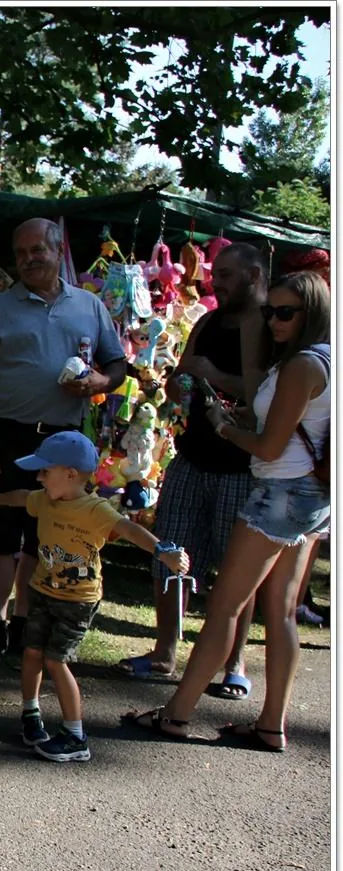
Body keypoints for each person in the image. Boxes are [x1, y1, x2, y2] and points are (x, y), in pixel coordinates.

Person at [126, 271, 331, 752]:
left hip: (278, 494)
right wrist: (244, 416)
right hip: (312, 499)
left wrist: (222, 425)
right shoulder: (324, 360)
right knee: (279, 613)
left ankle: (175, 716)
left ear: (312, 314)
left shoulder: (302, 364)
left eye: (285, 312)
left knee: (223, 607)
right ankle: (270, 725)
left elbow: (270, 444)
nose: (273, 321)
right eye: (269, 311)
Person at [0, 218, 127, 666]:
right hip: (4, 434)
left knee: (44, 537)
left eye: (37, 250)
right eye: (20, 253)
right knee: (0, 536)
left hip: (62, 442)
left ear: (58, 251)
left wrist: (98, 381)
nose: (28, 259)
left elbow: (117, 366)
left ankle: (24, 623)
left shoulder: (89, 306)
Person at [116, 243, 269, 697]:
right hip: (191, 458)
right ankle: (165, 651)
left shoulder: (268, 328)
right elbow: (186, 372)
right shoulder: (207, 320)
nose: (214, 281)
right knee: (168, 551)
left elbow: (267, 396)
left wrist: (215, 376)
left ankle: (234, 663)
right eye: (215, 274)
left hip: (243, 467)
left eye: (224, 274)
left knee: (237, 570)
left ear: (254, 276)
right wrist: (175, 379)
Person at [0, 432, 190, 762]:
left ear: (71, 474)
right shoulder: (45, 500)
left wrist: (163, 551)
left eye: (44, 472)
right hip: (42, 591)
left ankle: (75, 735)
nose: (39, 478)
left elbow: (130, 530)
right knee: (32, 651)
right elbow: (21, 496)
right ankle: (31, 715)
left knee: (55, 659)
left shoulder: (95, 509)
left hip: (77, 601)